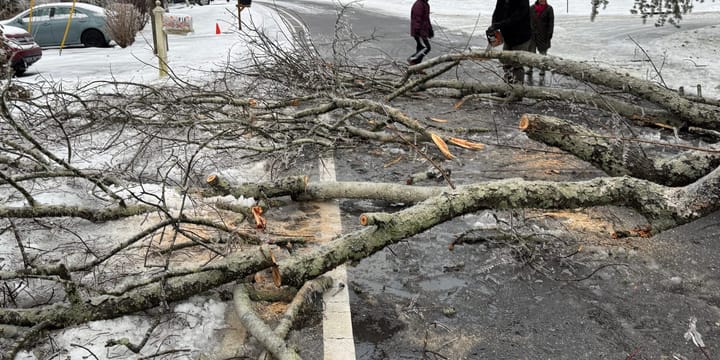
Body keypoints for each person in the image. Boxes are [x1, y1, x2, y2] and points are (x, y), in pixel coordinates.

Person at [488, 0, 532, 84]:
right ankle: (507, 88)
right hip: (508, 37)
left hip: (521, 37)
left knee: (517, 65)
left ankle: (517, 92)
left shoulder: (523, 2)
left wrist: (499, 25)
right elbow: (497, 11)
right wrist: (493, 24)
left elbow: (517, 17)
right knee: (506, 62)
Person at [528, 0, 554, 77]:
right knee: (531, 52)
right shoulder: (532, 8)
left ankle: (542, 69)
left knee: (542, 53)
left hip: (543, 35)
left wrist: (549, 34)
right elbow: (528, 20)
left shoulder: (549, 9)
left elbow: (551, 23)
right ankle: (530, 68)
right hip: (532, 35)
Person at [408, 0, 433, 65]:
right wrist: (417, 30)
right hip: (419, 31)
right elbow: (416, 18)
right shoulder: (419, 4)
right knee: (426, 47)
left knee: (420, 48)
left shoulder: (425, 4)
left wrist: (430, 30)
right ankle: (412, 59)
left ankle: (416, 66)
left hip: (423, 31)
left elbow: (427, 19)